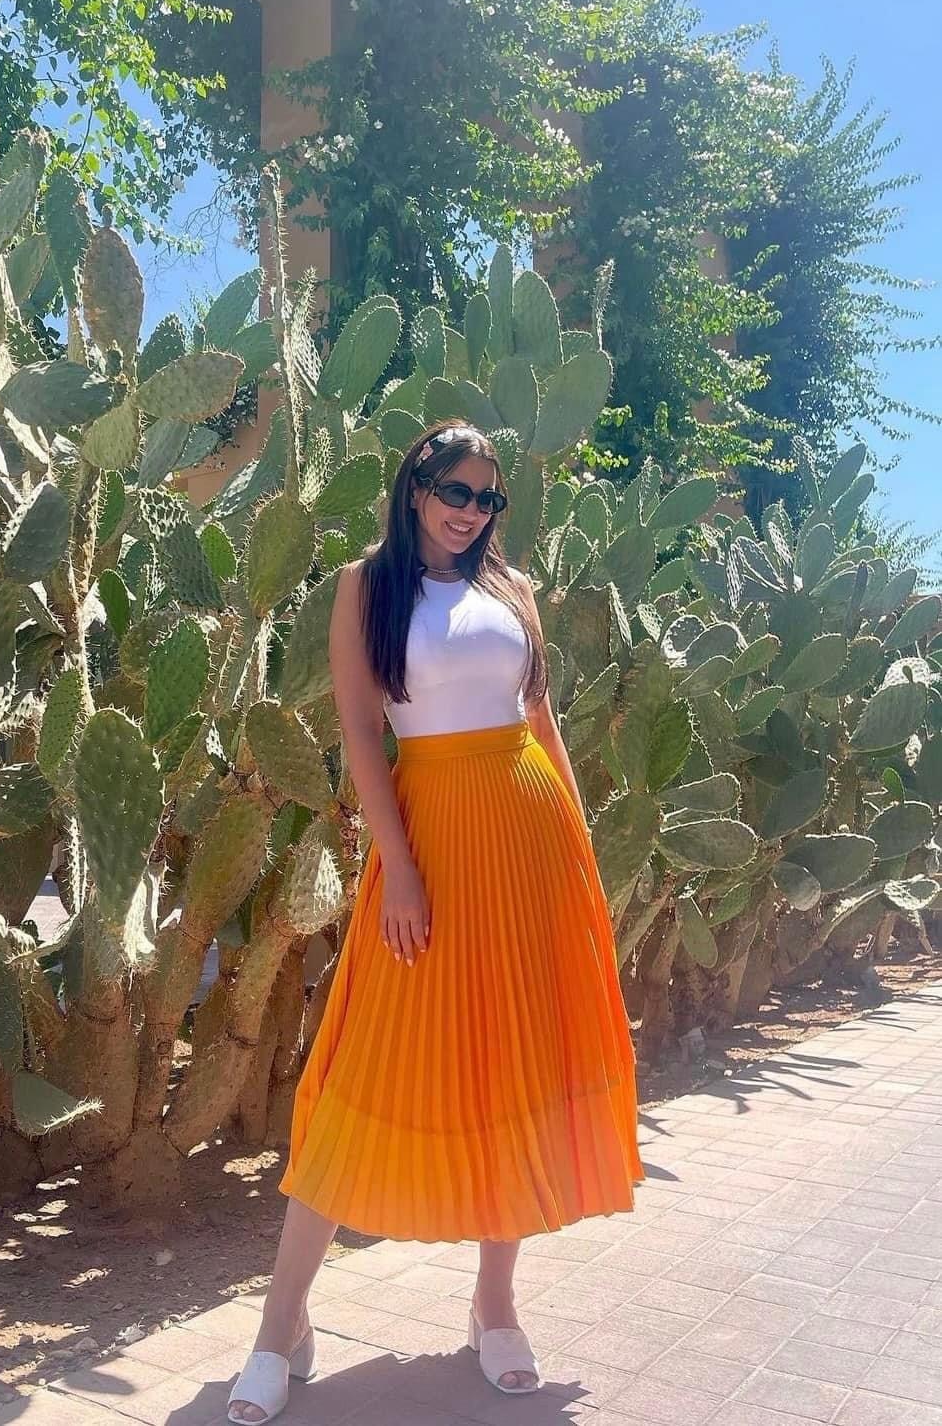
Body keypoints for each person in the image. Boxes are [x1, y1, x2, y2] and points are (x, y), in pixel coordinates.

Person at [228, 422, 643, 1423]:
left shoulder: (515, 590)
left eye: (488, 497)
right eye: (456, 490)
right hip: (432, 840)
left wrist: (582, 853)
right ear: (416, 487)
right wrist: (401, 872)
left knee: (520, 1066)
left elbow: (542, 725)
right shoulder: (365, 588)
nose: (471, 510)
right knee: (365, 1070)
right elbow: (360, 736)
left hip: (532, 839)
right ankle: (280, 1327)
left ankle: (495, 1305)